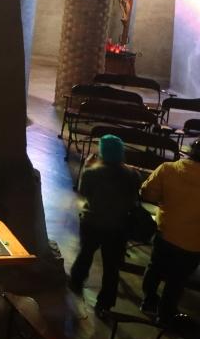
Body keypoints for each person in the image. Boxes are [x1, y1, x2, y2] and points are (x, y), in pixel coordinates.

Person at [69, 135, 140, 317]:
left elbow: (84, 192)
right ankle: (105, 303)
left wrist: (88, 166)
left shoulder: (92, 173)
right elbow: (134, 198)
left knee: (85, 254)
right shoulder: (133, 175)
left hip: (93, 222)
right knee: (111, 267)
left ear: (102, 152)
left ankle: (76, 283)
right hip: (118, 226)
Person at [139, 140, 200, 321]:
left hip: (165, 232)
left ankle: (149, 301)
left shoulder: (168, 169)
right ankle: (165, 315)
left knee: (155, 268)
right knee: (177, 280)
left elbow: (147, 193)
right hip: (194, 242)